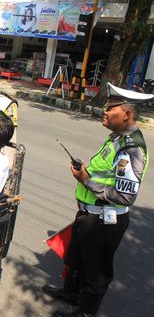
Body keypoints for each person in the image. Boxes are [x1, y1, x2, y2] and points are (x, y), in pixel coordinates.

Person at [42, 83, 151, 317]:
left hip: (105, 222)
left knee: (95, 272)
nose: (104, 110)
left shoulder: (132, 149)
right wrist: (86, 171)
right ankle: (71, 294)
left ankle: (85, 312)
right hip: (90, 214)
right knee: (76, 258)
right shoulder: (116, 138)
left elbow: (125, 196)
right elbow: (105, 173)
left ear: (127, 114)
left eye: (110, 108)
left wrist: (85, 180)